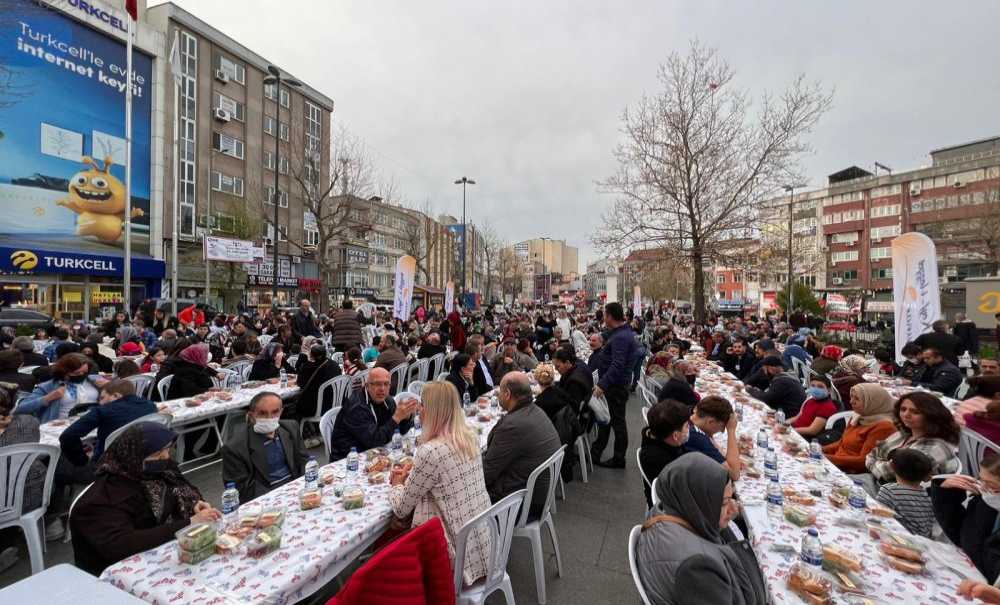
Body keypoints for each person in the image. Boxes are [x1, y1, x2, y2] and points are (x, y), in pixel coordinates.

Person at [71, 423, 221, 576]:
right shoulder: (102, 500)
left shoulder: (155, 469)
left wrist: (195, 503)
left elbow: (182, 488)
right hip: (119, 573)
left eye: (168, 449)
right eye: (157, 453)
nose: (165, 456)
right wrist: (189, 523)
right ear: (133, 455)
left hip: (163, 552)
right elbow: (122, 546)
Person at [388, 382, 491, 586]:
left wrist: (397, 484)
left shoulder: (431, 451)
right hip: (483, 543)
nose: (419, 409)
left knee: (391, 531)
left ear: (432, 410)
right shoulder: (469, 437)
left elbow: (401, 508)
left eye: (423, 405)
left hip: (452, 554)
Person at [636, 455, 765, 605]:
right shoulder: (698, 567)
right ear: (698, 501)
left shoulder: (665, 510)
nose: (731, 508)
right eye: (723, 503)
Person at [482, 372, 561, 519]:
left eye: (499, 391)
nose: (498, 395)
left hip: (523, 505)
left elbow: (487, 475)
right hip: (540, 495)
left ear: (507, 394)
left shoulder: (512, 426)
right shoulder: (535, 410)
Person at [222, 392, 309, 502]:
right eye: (262, 413)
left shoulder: (290, 427)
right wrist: (280, 496)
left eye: (275, 412)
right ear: (252, 415)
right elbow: (241, 490)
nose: (269, 418)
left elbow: (303, 460)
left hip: (297, 489)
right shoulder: (235, 447)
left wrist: (305, 486)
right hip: (267, 498)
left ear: (281, 411)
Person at [932, 450, 1000, 584]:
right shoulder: (987, 499)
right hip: (969, 568)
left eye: (991, 484)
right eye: (981, 479)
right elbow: (958, 534)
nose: (983, 487)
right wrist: (946, 492)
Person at [59, 379, 158, 468]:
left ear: (116, 396)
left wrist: (83, 460)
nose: (100, 403)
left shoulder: (103, 411)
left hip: (108, 465)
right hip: (145, 457)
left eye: (102, 398)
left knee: (59, 464)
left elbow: (67, 436)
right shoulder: (150, 406)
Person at [866, 391, 961, 482]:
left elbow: (886, 474)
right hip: (879, 482)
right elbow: (871, 455)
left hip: (899, 494)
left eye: (915, 412)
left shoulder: (935, 447)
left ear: (931, 415)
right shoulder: (905, 433)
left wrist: (876, 462)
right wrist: (879, 463)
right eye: (903, 409)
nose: (906, 415)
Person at [328, 367, 417, 461]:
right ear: (367, 385)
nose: (382, 389)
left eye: (386, 384)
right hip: (349, 459)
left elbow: (397, 431)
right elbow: (374, 441)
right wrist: (397, 417)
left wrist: (405, 418)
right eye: (377, 384)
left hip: (374, 452)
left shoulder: (388, 400)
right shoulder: (357, 407)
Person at [591, 302, 638, 469]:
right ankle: (596, 452)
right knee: (608, 420)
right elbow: (609, 334)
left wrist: (602, 385)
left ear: (610, 316)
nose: (604, 318)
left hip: (615, 386)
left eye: (605, 314)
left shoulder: (621, 337)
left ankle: (618, 458)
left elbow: (617, 364)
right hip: (615, 385)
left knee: (617, 423)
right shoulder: (621, 333)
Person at [822, 384, 897, 474]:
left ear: (872, 402)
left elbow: (863, 461)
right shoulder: (858, 416)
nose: (851, 401)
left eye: (857, 399)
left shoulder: (884, 427)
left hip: (852, 472)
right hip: (837, 464)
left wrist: (827, 458)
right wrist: (820, 450)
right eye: (851, 397)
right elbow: (842, 443)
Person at [16, 353, 103, 423]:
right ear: (64, 371)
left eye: (84, 372)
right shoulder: (49, 386)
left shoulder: (94, 381)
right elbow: (21, 408)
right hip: (60, 426)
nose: (81, 375)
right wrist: (48, 398)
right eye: (76, 373)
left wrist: (106, 387)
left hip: (92, 423)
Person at [637, 400, 691, 508]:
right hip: (670, 511)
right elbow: (682, 495)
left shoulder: (658, 438)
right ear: (675, 436)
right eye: (686, 426)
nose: (689, 429)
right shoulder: (660, 460)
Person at [875, 448, 934, 538]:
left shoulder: (889, 491)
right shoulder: (928, 496)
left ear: (891, 466)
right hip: (921, 543)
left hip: (898, 539)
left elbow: (877, 518)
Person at [295, 343, 343, 430]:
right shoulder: (334, 365)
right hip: (335, 403)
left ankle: (304, 432)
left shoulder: (307, 367)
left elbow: (300, 383)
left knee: (294, 407)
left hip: (317, 407)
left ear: (311, 355)